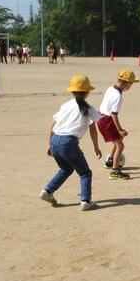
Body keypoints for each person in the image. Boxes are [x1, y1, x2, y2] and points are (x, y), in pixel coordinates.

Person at [39, 74, 102, 211]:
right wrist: (96, 147)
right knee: (85, 172)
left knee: (66, 169)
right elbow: (94, 129)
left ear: (72, 91)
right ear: (87, 92)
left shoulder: (65, 105)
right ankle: (85, 201)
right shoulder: (88, 109)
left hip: (55, 139)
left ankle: (47, 191)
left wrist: (50, 144)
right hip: (68, 142)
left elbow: (52, 126)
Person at [97, 69, 139, 180]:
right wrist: (120, 129)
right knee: (120, 145)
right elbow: (114, 114)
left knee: (119, 139)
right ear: (127, 83)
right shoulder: (118, 96)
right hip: (107, 120)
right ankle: (114, 171)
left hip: (101, 117)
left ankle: (110, 161)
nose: (131, 86)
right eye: (131, 84)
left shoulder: (110, 88)